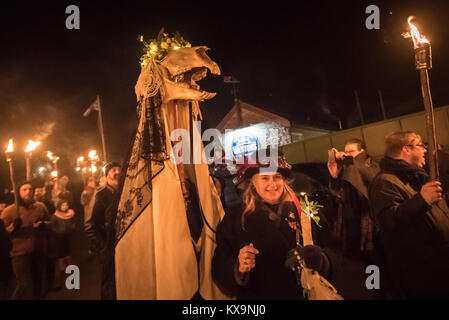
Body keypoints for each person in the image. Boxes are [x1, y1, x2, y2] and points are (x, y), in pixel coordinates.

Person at [212, 153, 333, 299]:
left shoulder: (304, 211)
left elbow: (331, 247)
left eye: (277, 177)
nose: (272, 184)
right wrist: (238, 267)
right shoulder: (236, 218)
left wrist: (322, 261)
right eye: (265, 178)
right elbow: (219, 263)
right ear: (253, 183)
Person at [369, 131, 449, 298]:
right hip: (422, 272)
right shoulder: (385, 182)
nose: (425, 150)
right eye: (420, 146)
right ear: (406, 149)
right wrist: (422, 200)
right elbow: (388, 220)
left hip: (439, 264)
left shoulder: (417, 176)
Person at [327, 138, 379, 258]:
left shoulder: (372, 165)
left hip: (367, 218)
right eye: (346, 151)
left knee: (372, 257)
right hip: (349, 220)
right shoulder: (347, 168)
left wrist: (352, 162)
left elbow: (372, 178)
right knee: (353, 258)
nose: (347, 154)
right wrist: (334, 177)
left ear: (362, 151)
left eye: (351, 151)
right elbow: (337, 193)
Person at [0, 181, 50, 299]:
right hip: (19, 252)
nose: (28, 191)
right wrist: (13, 227)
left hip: (38, 248)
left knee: (38, 279)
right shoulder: (9, 211)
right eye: (24, 189)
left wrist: (44, 224)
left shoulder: (40, 207)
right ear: (18, 192)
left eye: (30, 189)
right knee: (23, 283)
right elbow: (2, 233)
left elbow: (50, 221)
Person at [85, 161, 121, 300]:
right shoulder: (100, 195)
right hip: (108, 247)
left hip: (123, 244)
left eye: (119, 169)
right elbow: (90, 225)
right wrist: (102, 246)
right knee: (110, 281)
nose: (117, 172)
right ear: (106, 176)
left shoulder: (124, 192)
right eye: (113, 170)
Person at [50, 199, 76, 289]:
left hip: (68, 236)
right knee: (60, 252)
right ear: (59, 206)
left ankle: (69, 265)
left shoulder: (70, 214)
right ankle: (62, 267)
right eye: (63, 205)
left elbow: (73, 223)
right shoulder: (55, 216)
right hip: (59, 237)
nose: (65, 207)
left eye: (66, 205)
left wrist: (72, 228)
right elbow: (52, 226)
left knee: (67, 250)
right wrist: (57, 232)